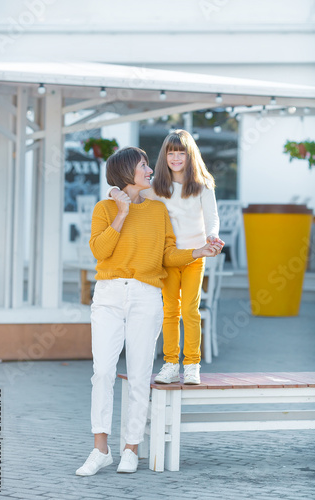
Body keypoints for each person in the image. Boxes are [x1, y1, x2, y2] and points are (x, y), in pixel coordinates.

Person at [76, 146, 223, 477]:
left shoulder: (158, 211)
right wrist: (121, 212)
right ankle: (100, 449)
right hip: (109, 295)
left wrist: (198, 251)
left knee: (141, 374)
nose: (150, 170)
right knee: (102, 372)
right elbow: (100, 250)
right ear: (127, 172)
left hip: (145, 295)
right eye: (143, 165)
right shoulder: (104, 208)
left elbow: (167, 254)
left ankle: (131, 448)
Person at [109, 131, 224, 386]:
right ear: (165, 156)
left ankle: (192, 365)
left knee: (190, 311)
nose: (175, 157)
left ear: (189, 154)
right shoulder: (157, 187)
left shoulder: (203, 184)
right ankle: (171, 364)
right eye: (171, 152)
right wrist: (115, 192)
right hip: (168, 259)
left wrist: (212, 237)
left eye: (181, 152)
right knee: (170, 311)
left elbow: (211, 217)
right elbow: (133, 193)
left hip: (195, 256)